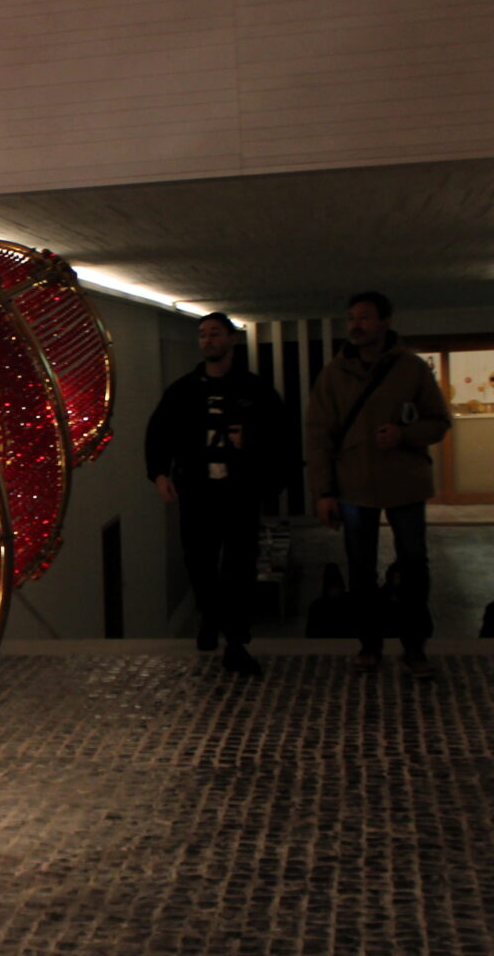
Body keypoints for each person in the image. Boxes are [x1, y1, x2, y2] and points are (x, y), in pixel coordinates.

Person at [304, 290, 451, 679]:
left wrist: (405, 435)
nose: (356, 324)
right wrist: (323, 492)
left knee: (414, 566)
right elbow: (318, 436)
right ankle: (369, 645)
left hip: (405, 484)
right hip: (354, 485)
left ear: (385, 322)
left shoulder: (412, 369)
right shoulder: (334, 375)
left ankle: (414, 648)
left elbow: (438, 422)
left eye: (365, 317)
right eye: (352, 317)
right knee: (360, 568)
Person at [146, 312, 290, 677]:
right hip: (197, 491)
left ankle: (236, 640)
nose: (207, 340)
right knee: (199, 561)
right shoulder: (183, 391)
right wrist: (160, 473)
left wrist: (263, 472)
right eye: (203, 334)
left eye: (214, 333)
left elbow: (280, 437)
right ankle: (211, 617)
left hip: (239, 492)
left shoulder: (255, 391)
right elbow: (159, 431)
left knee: (240, 565)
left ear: (231, 339)